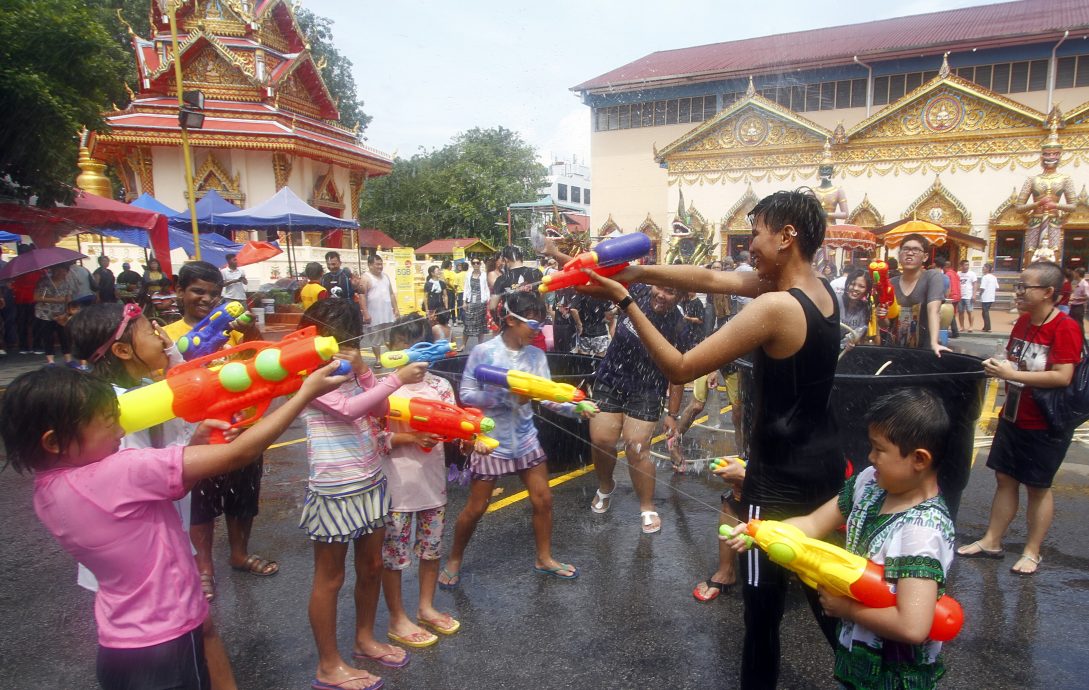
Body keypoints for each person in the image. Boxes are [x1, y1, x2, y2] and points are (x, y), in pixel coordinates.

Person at [578, 189, 844, 688]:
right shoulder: (819, 291)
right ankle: (874, 674)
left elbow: (681, 365)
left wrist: (624, 301)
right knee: (829, 593)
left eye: (756, 234)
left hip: (779, 481)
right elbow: (708, 278)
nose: (749, 247)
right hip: (822, 464)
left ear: (788, 237)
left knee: (762, 615)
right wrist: (637, 273)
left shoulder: (777, 308)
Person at [0, 362, 343, 690]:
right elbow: (239, 454)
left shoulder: (48, 491)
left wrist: (195, 446)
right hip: (167, 646)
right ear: (54, 442)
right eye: (108, 422)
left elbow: (152, 497)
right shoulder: (121, 471)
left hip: (120, 646)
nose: (121, 431)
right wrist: (303, 395)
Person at [728, 388, 955, 690]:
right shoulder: (870, 485)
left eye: (879, 450)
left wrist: (846, 610)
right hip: (859, 653)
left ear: (919, 459)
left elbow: (913, 626)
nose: (870, 458)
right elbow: (812, 523)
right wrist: (762, 532)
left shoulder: (921, 532)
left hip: (894, 675)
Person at [67, 302, 239, 689]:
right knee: (164, 650)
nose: (163, 337)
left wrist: (194, 440)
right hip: (140, 555)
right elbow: (158, 479)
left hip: (166, 534)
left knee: (202, 630)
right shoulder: (106, 412)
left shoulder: (147, 390)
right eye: (150, 331)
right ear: (123, 350)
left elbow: (177, 440)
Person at [296, 299, 428, 690]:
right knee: (330, 578)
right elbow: (349, 410)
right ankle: (328, 664)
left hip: (370, 477)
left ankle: (365, 639)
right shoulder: (309, 374)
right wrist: (396, 378)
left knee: (370, 567)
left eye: (345, 339)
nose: (337, 347)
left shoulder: (350, 367)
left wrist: (367, 370)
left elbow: (380, 408)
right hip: (335, 487)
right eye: (330, 338)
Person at [438, 291, 596, 588]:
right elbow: (467, 394)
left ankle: (544, 558)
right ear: (510, 320)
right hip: (492, 442)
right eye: (534, 325)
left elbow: (548, 396)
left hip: (525, 439)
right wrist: (505, 396)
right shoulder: (483, 353)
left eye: (540, 325)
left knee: (544, 500)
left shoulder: (535, 356)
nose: (538, 331)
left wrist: (577, 408)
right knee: (476, 507)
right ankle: (454, 559)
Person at [958, 262, 1082, 576]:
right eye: (1019, 285)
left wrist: (1014, 374)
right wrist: (1000, 366)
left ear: (1049, 293)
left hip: (1045, 422)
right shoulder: (1024, 322)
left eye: (1026, 286)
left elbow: (1063, 376)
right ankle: (992, 540)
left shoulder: (1065, 328)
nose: (1019, 291)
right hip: (1013, 413)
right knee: (1004, 479)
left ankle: (1032, 551)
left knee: (1037, 486)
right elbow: (1014, 362)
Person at [162, 261, 269, 602]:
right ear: (179, 292)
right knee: (201, 504)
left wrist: (249, 330)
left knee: (243, 494)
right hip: (196, 431)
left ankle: (239, 553)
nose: (207, 300)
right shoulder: (169, 335)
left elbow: (260, 357)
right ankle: (204, 567)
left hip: (240, 424)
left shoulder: (232, 330)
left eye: (214, 293)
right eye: (198, 291)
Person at [379, 316, 464, 649]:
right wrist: (409, 437)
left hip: (432, 486)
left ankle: (426, 607)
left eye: (419, 345)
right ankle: (397, 616)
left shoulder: (441, 386)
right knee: (394, 556)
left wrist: (469, 438)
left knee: (430, 551)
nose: (411, 353)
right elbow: (374, 436)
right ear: (390, 349)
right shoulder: (384, 386)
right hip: (395, 488)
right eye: (402, 344)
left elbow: (455, 425)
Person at [885, 234, 948, 357]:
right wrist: (881, 316)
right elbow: (887, 324)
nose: (910, 253)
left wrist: (934, 342)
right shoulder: (891, 283)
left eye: (915, 250)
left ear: (925, 257)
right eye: (906, 249)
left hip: (924, 350)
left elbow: (933, 310)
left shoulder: (933, 277)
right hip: (894, 350)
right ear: (899, 254)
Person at [358, 253, 399, 364]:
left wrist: (396, 308)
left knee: (390, 337)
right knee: (376, 339)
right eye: (377, 264)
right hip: (374, 314)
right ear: (370, 265)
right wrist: (365, 313)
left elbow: (391, 293)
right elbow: (361, 296)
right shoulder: (365, 278)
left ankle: (392, 357)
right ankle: (378, 359)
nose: (380, 267)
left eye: (381, 264)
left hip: (388, 313)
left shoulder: (385, 276)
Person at [34, 263, 73, 365]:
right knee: (48, 336)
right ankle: (50, 360)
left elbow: (69, 298)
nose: (62, 273)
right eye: (59, 271)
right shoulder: (44, 282)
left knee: (64, 336)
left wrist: (67, 304)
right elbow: (37, 297)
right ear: (54, 270)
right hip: (45, 313)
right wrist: (54, 299)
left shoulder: (66, 282)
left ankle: (68, 359)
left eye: (64, 271)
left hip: (61, 314)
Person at [461, 258, 490, 349]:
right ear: (472, 264)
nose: (476, 264)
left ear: (480, 264)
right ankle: (463, 344)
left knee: (481, 324)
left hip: (481, 301)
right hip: (471, 301)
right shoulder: (468, 274)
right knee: (468, 323)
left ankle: (480, 345)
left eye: (478, 263)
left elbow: (487, 288)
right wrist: (464, 301)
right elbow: (466, 288)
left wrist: (488, 301)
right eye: (474, 263)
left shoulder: (484, 275)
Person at [571, 293, 611, 357]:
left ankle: (585, 366)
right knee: (599, 361)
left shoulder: (582, 293)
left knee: (583, 361)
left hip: (584, 333)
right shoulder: (603, 293)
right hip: (600, 333)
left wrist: (580, 325)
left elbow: (573, 310)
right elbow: (609, 314)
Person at [838, 268, 873, 336]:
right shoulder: (836, 301)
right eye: (852, 284)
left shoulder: (866, 308)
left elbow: (861, 331)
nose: (855, 288)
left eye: (861, 286)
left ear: (867, 290)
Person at [957, 259, 978, 333]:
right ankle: (962, 326)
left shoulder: (972, 274)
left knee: (970, 311)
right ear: (961, 266)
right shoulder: (958, 274)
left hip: (968, 296)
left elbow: (975, 284)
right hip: (960, 296)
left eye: (968, 265)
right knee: (960, 312)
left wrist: (974, 294)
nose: (967, 266)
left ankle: (971, 326)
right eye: (965, 265)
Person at [979, 262, 999, 333]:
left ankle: (988, 327)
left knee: (985, 311)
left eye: (984, 268)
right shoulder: (994, 277)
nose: (983, 269)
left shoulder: (985, 277)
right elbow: (997, 287)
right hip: (991, 297)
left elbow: (982, 288)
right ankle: (985, 326)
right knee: (984, 311)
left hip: (986, 297)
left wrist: (980, 294)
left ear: (987, 269)